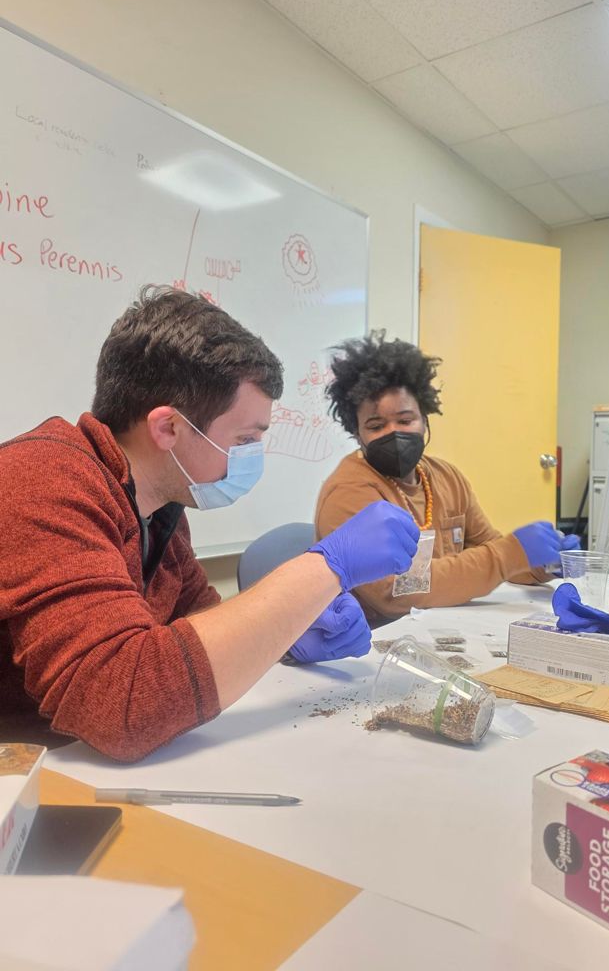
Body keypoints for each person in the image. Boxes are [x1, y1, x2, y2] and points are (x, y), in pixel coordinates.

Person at [0, 288, 419, 761]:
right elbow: (122, 707)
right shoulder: (42, 480)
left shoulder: (158, 504)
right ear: (168, 429)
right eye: (244, 439)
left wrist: (286, 632)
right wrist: (325, 568)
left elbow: (197, 618)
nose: (252, 455)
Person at [315, 332, 580, 625]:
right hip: (376, 639)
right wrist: (510, 554)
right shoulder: (349, 491)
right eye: (376, 426)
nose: (394, 432)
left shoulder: (447, 478)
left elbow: (489, 549)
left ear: (425, 419)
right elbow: (395, 591)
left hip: (443, 626)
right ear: (357, 434)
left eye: (405, 420)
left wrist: (542, 564)